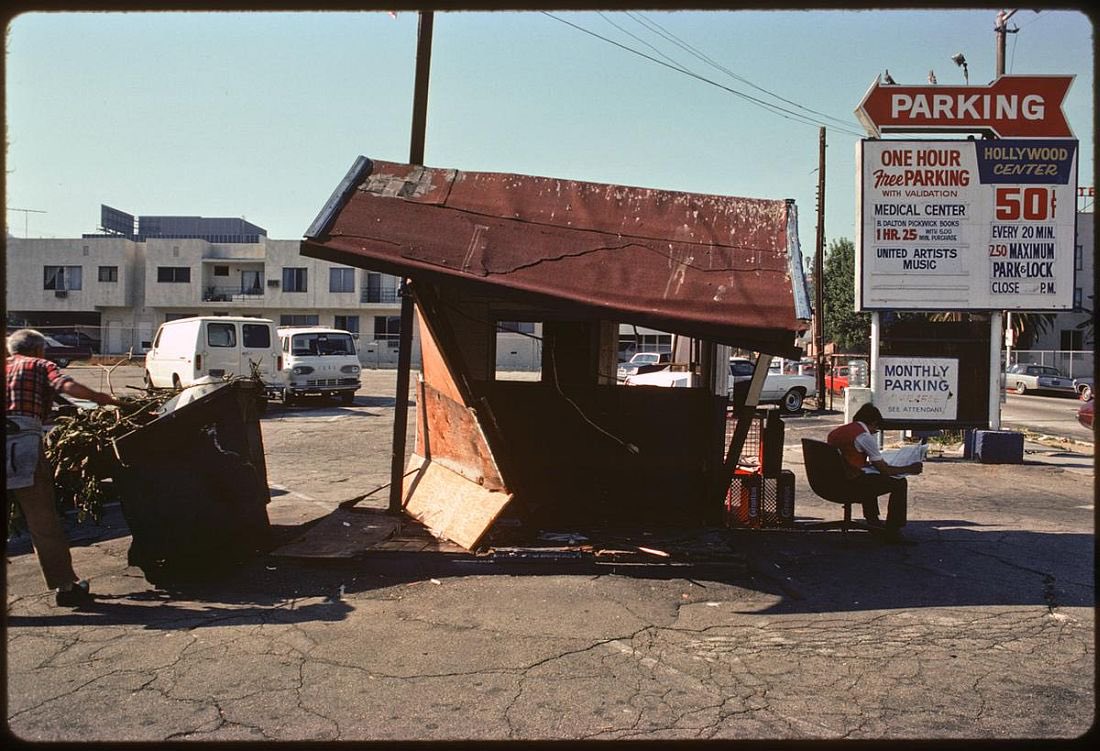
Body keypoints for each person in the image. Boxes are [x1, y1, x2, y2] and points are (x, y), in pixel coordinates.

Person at [5, 328, 120, 607]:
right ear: (39, 350)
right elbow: (67, 387)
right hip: (22, 445)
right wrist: (103, 399)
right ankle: (66, 588)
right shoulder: (40, 364)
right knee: (42, 520)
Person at [826, 402, 922, 545]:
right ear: (873, 423)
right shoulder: (864, 437)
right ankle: (893, 530)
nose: (873, 433)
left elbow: (846, 457)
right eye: (875, 430)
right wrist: (909, 468)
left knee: (869, 476)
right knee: (899, 483)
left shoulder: (838, 431)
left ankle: (873, 521)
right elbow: (885, 470)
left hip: (831, 480)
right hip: (848, 483)